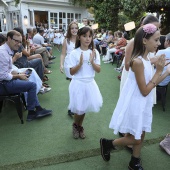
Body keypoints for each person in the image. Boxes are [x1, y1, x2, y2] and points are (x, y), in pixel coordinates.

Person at [100, 24, 170, 170]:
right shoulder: (137, 62)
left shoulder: (146, 59)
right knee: (135, 138)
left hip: (143, 103)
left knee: (141, 133)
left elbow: (152, 83)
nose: (159, 43)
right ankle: (108, 143)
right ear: (145, 40)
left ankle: (134, 161)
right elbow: (145, 90)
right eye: (156, 40)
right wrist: (159, 71)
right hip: (135, 103)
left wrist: (166, 72)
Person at [0, 30, 52, 121]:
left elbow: (7, 70)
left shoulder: (7, 50)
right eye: (16, 41)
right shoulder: (2, 52)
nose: (19, 44)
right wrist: (18, 76)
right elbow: (3, 76)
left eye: (20, 42)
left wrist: (18, 73)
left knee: (29, 79)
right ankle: (32, 113)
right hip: (3, 84)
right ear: (8, 39)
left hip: (5, 81)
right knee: (32, 85)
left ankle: (38, 108)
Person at [68, 26, 103, 139]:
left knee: (84, 108)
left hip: (90, 84)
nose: (88, 39)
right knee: (79, 108)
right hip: (78, 84)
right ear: (79, 37)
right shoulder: (74, 53)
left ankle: (79, 126)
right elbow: (71, 72)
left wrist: (92, 61)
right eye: (84, 36)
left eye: (90, 36)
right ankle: (75, 125)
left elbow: (98, 70)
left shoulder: (94, 52)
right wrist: (79, 64)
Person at [60, 21, 78, 116]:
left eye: (76, 28)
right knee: (73, 85)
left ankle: (76, 104)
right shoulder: (66, 40)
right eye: (72, 28)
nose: (74, 30)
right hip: (69, 64)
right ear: (69, 30)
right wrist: (61, 64)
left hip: (79, 64)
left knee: (77, 85)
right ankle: (72, 107)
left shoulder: (80, 39)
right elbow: (63, 53)